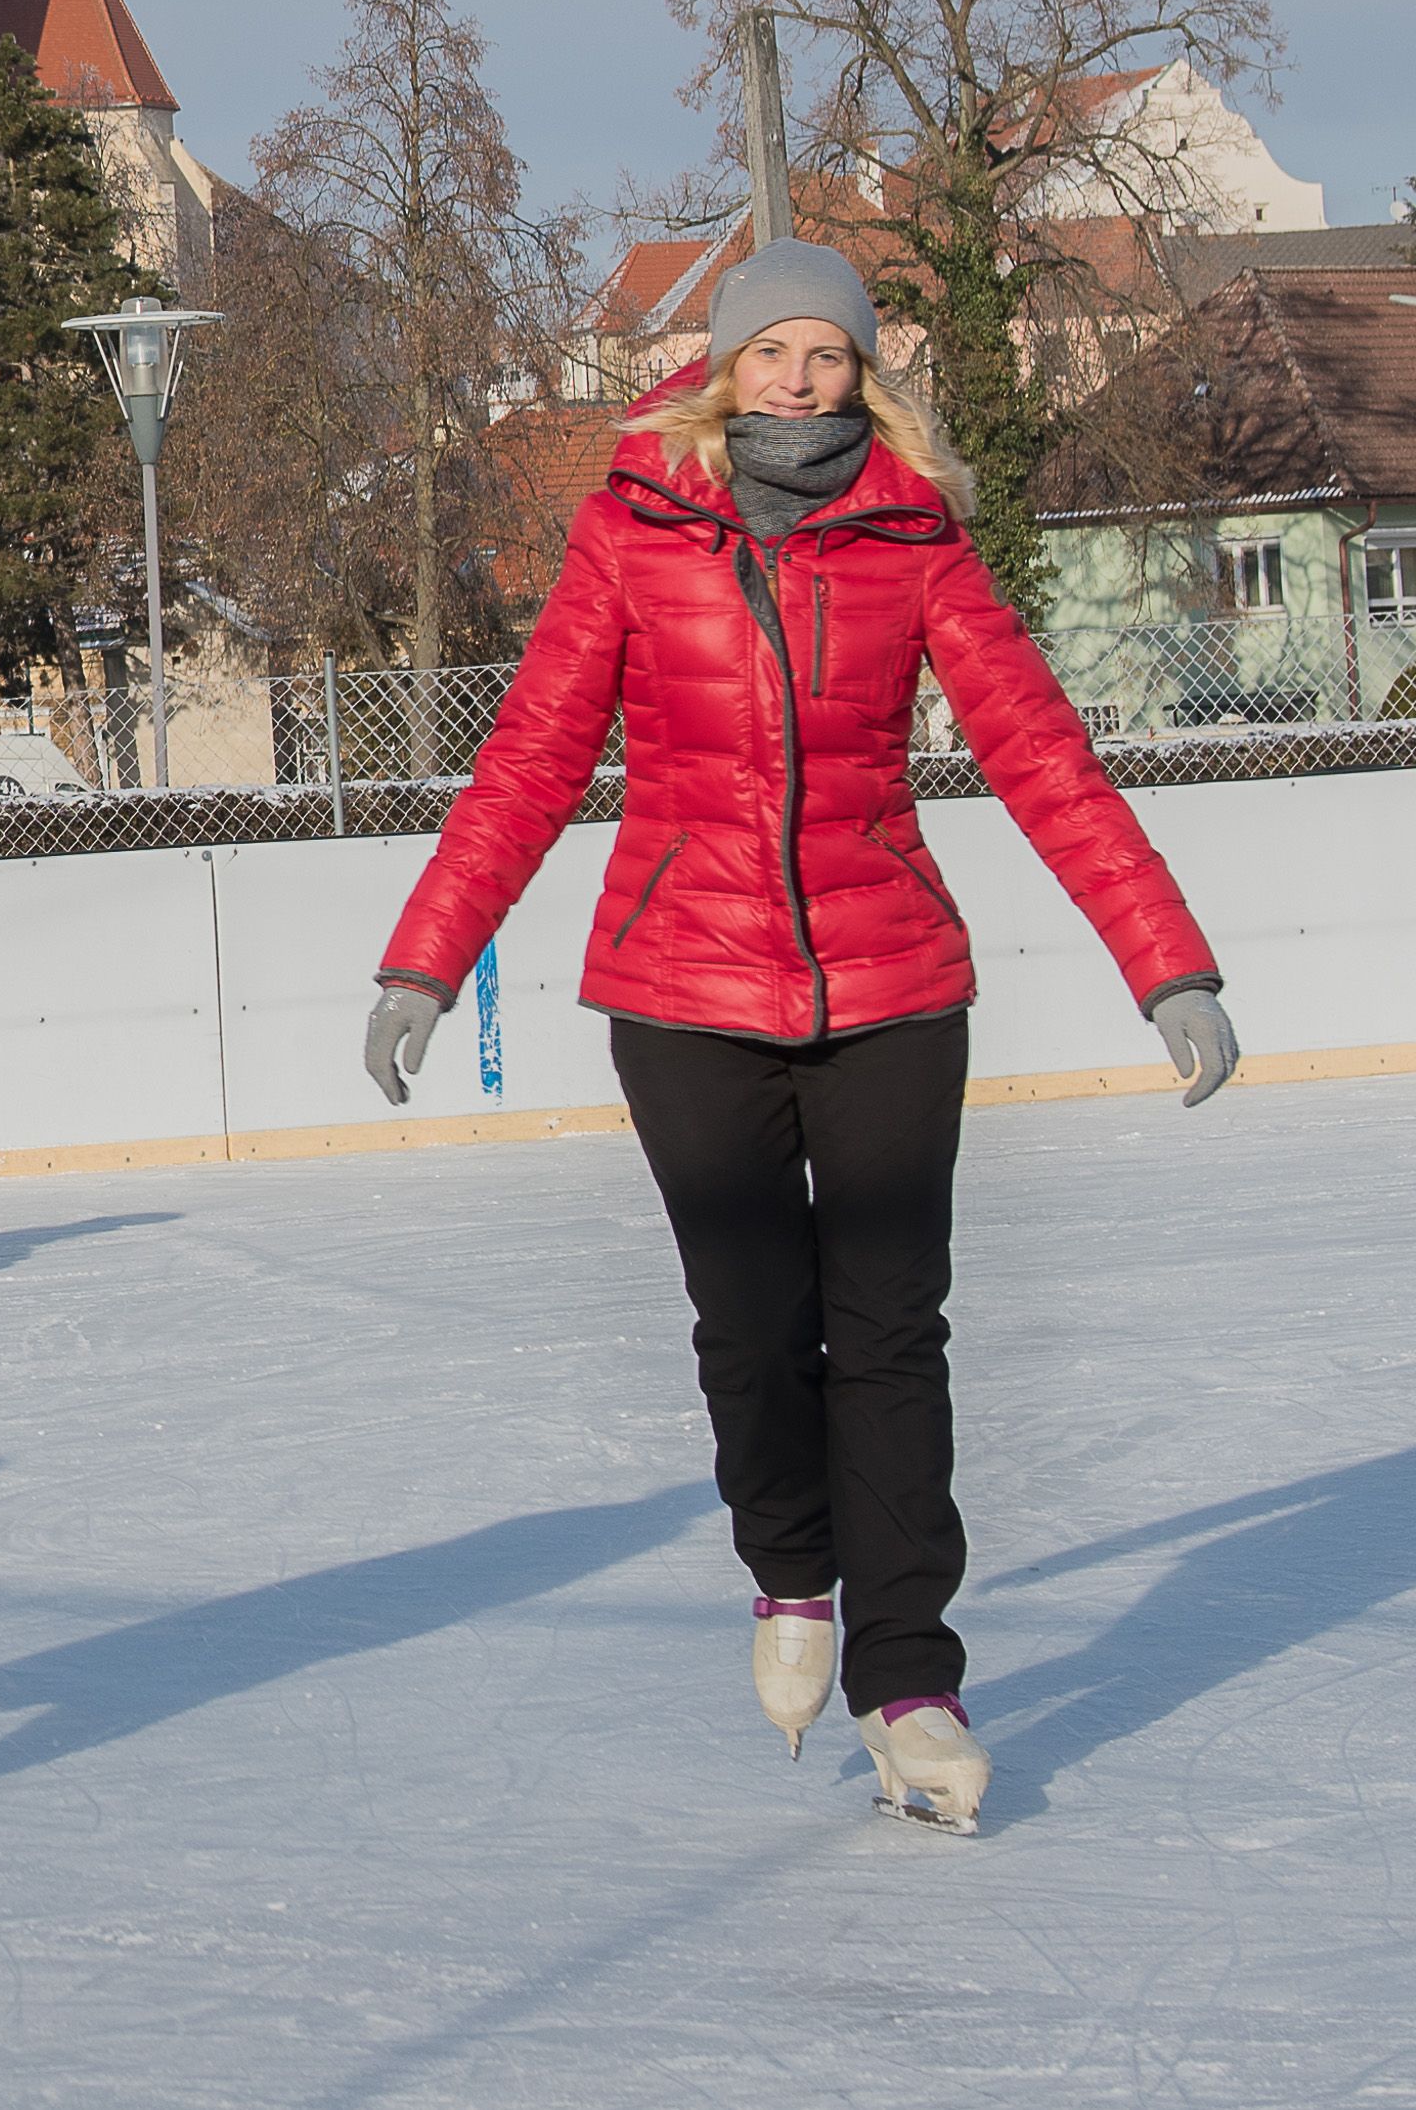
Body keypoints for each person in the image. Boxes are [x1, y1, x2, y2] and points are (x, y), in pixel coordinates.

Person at [359, 244, 1235, 1835]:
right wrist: (430, 956)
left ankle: (913, 1677)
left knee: (893, 1333)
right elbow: (533, 756)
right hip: (685, 992)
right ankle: (789, 1569)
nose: (800, 378)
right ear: (723, 364)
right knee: (755, 1328)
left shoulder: (914, 535)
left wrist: (1165, 962)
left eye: (830, 353)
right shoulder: (632, 530)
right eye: (774, 351)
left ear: (864, 372)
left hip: (892, 984)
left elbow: (1040, 751)